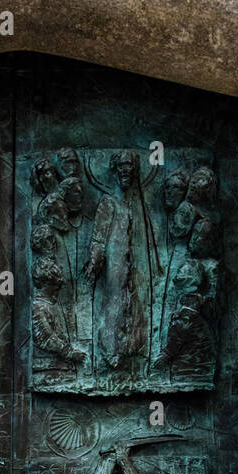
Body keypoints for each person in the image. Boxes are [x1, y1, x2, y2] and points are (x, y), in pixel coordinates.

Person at [84, 150, 151, 371]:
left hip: (133, 265)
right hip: (115, 264)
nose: (125, 170)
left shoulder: (135, 204)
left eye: (129, 165)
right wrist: (94, 263)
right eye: (121, 165)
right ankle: (109, 350)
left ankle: (131, 347)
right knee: (113, 303)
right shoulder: (108, 202)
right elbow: (99, 238)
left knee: (133, 302)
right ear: (114, 169)